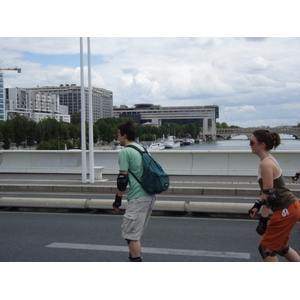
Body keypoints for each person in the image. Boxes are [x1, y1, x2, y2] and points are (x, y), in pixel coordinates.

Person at [248, 129, 300, 262]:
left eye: (252, 142)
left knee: (266, 249)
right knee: (281, 247)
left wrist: (263, 219)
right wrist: (257, 204)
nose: (250, 144)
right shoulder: (268, 160)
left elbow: (270, 195)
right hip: (291, 207)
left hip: (285, 209)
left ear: (262, 144)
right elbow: (269, 191)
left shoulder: (266, 163)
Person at [112, 120, 156, 262]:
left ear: (125, 136)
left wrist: (117, 200)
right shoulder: (141, 148)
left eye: (119, 135)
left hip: (138, 198)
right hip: (149, 196)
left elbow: (122, 180)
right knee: (133, 235)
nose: (118, 138)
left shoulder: (126, 152)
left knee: (132, 236)